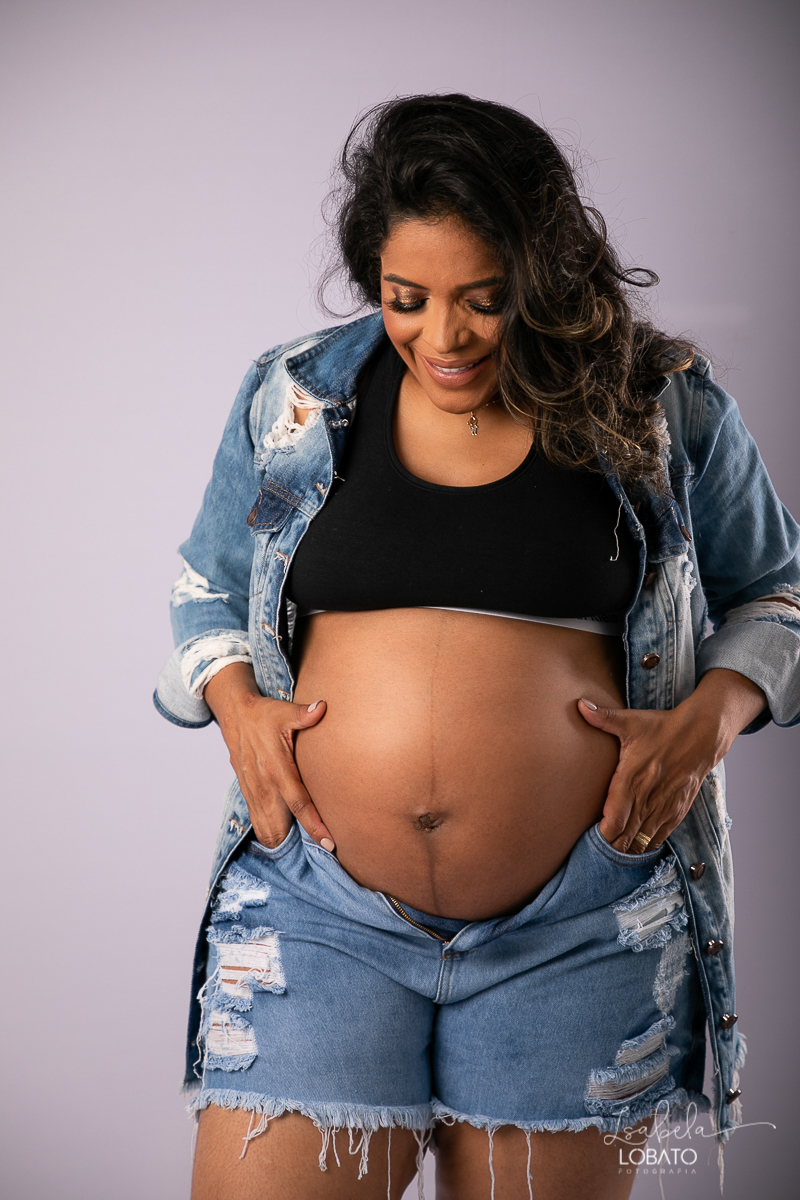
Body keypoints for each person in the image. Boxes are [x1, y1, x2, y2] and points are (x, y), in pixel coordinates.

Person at [154, 94, 800, 1200]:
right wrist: (235, 704)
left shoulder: (657, 400)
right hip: (316, 911)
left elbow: (776, 593)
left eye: (484, 300)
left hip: (582, 925)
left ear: (542, 274)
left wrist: (709, 719)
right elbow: (206, 588)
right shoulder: (294, 396)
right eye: (406, 299)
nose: (443, 338)